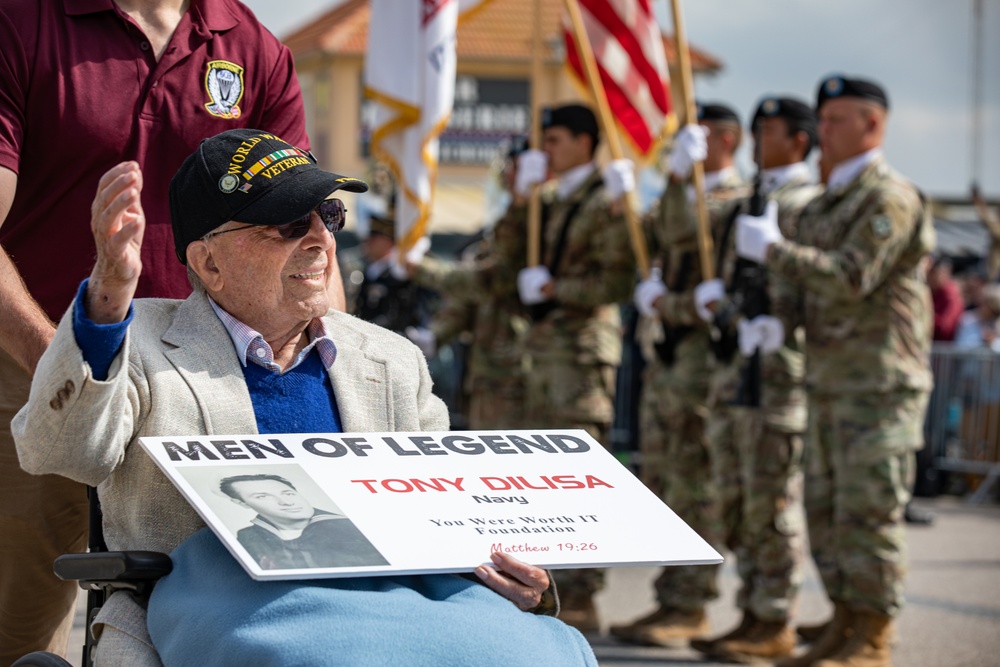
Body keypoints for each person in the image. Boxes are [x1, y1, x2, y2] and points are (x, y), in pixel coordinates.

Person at [12, 129, 589, 666]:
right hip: (226, 603)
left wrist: (512, 572)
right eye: (288, 223)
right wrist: (108, 300)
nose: (320, 238)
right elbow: (55, 452)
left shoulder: (390, 359)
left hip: (401, 601)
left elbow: (446, 519)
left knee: (554, 649)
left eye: (329, 215)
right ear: (208, 260)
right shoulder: (133, 341)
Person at [0, 1, 334, 660]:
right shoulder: (21, 23)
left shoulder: (250, 45)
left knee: (210, 613)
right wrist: (62, 361)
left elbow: (307, 236)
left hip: (206, 381)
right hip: (31, 363)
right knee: (21, 623)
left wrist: (339, 375)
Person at [736, 75, 935, 667]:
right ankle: (846, 619)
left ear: (873, 124)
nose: (824, 131)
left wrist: (773, 251)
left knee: (868, 513)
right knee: (827, 513)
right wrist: (778, 318)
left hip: (879, 384)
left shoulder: (888, 196)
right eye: (822, 120)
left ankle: (873, 631)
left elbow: (851, 276)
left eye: (837, 120)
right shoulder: (828, 200)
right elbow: (806, 282)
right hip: (827, 379)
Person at [684, 96, 822, 663]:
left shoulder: (807, 202)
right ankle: (752, 610)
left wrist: (779, 321)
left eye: (770, 131)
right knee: (739, 499)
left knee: (771, 502)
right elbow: (688, 232)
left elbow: (817, 283)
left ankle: (775, 616)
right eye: (757, 129)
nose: (758, 141)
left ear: (799, 141)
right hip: (739, 368)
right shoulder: (753, 199)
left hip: (779, 372)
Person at [612, 102, 747, 648]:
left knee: (699, 485)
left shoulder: (736, 201)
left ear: (726, 141)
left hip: (703, 362)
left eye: (699, 137)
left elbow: (686, 234)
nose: (683, 148)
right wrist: (621, 200)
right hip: (669, 362)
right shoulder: (685, 197)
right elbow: (643, 237)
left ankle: (693, 602)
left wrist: (671, 182)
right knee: (669, 484)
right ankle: (672, 598)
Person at [507, 103, 637, 631]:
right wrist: (522, 200)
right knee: (540, 475)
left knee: (579, 476)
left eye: (556, 139)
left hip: (582, 350)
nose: (547, 150)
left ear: (585, 142)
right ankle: (547, 586)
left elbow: (617, 279)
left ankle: (583, 593)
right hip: (545, 351)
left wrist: (559, 289)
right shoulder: (552, 198)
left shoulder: (607, 199)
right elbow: (511, 253)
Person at [406, 136, 531, 429]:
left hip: (525, 367)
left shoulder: (538, 225)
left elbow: (489, 280)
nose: (508, 175)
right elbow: (472, 300)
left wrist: (423, 269)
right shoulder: (502, 230)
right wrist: (438, 334)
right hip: (491, 367)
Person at [219, 473, 389, 570]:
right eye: (262, 497)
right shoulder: (249, 536)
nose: (286, 502)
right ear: (241, 503)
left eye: (288, 493)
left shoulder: (350, 527)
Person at [346, 208, 437, 335]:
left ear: (389, 242)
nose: (368, 241)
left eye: (375, 237)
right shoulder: (368, 271)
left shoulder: (402, 275)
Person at [929, 254, 965, 342]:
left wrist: (924, 317)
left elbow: (945, 328)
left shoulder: (950, 294)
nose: (932, 278)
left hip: (945, 349)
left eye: (936, 274)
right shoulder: (932, 290)